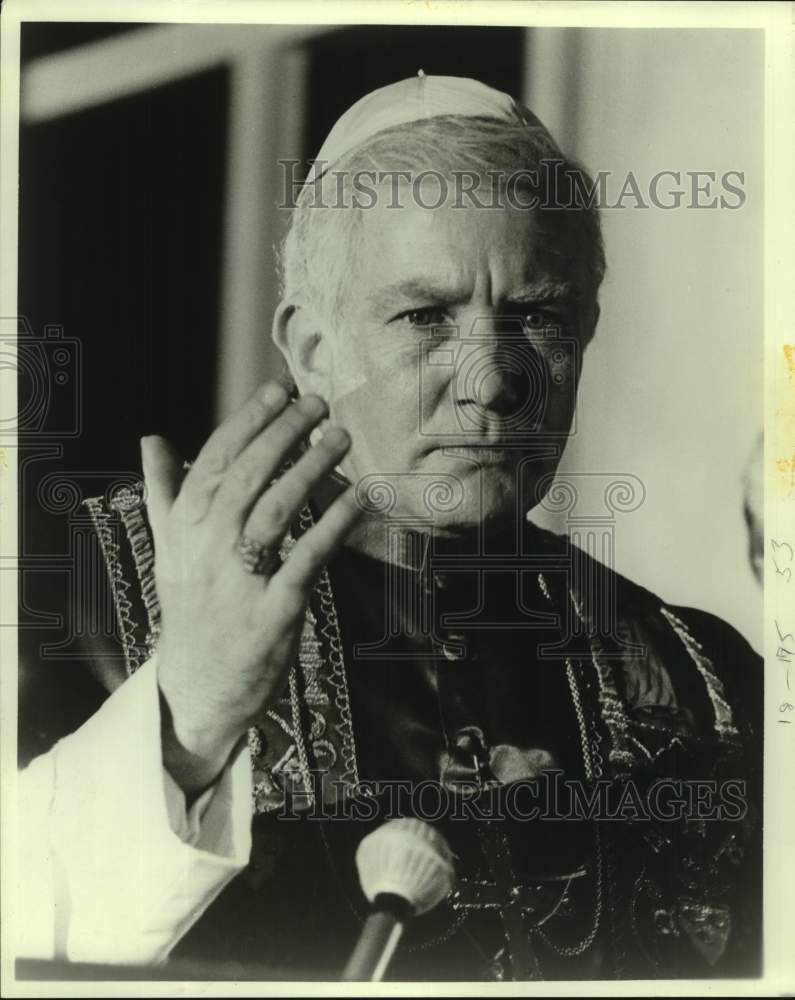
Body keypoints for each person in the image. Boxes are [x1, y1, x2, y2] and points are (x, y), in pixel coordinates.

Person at [17, 75, 762, 981]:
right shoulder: (74, 597)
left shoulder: (705, 682)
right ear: (311, 349)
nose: (491, 383)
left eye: (538, 317)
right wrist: (190, 720)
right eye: (424, 316)